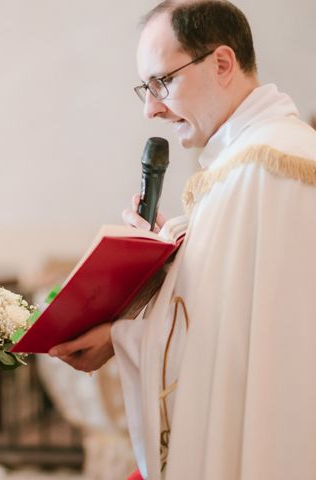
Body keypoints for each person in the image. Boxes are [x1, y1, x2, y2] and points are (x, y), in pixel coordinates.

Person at [49, 1, 316, 479]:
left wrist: (120, 338)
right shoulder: (255, 162)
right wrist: (163, 256)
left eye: (161, 83)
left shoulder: (263, 168)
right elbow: (222, 311)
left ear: (222, 63)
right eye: (145, 89)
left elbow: (231, 343)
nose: (151, 108)